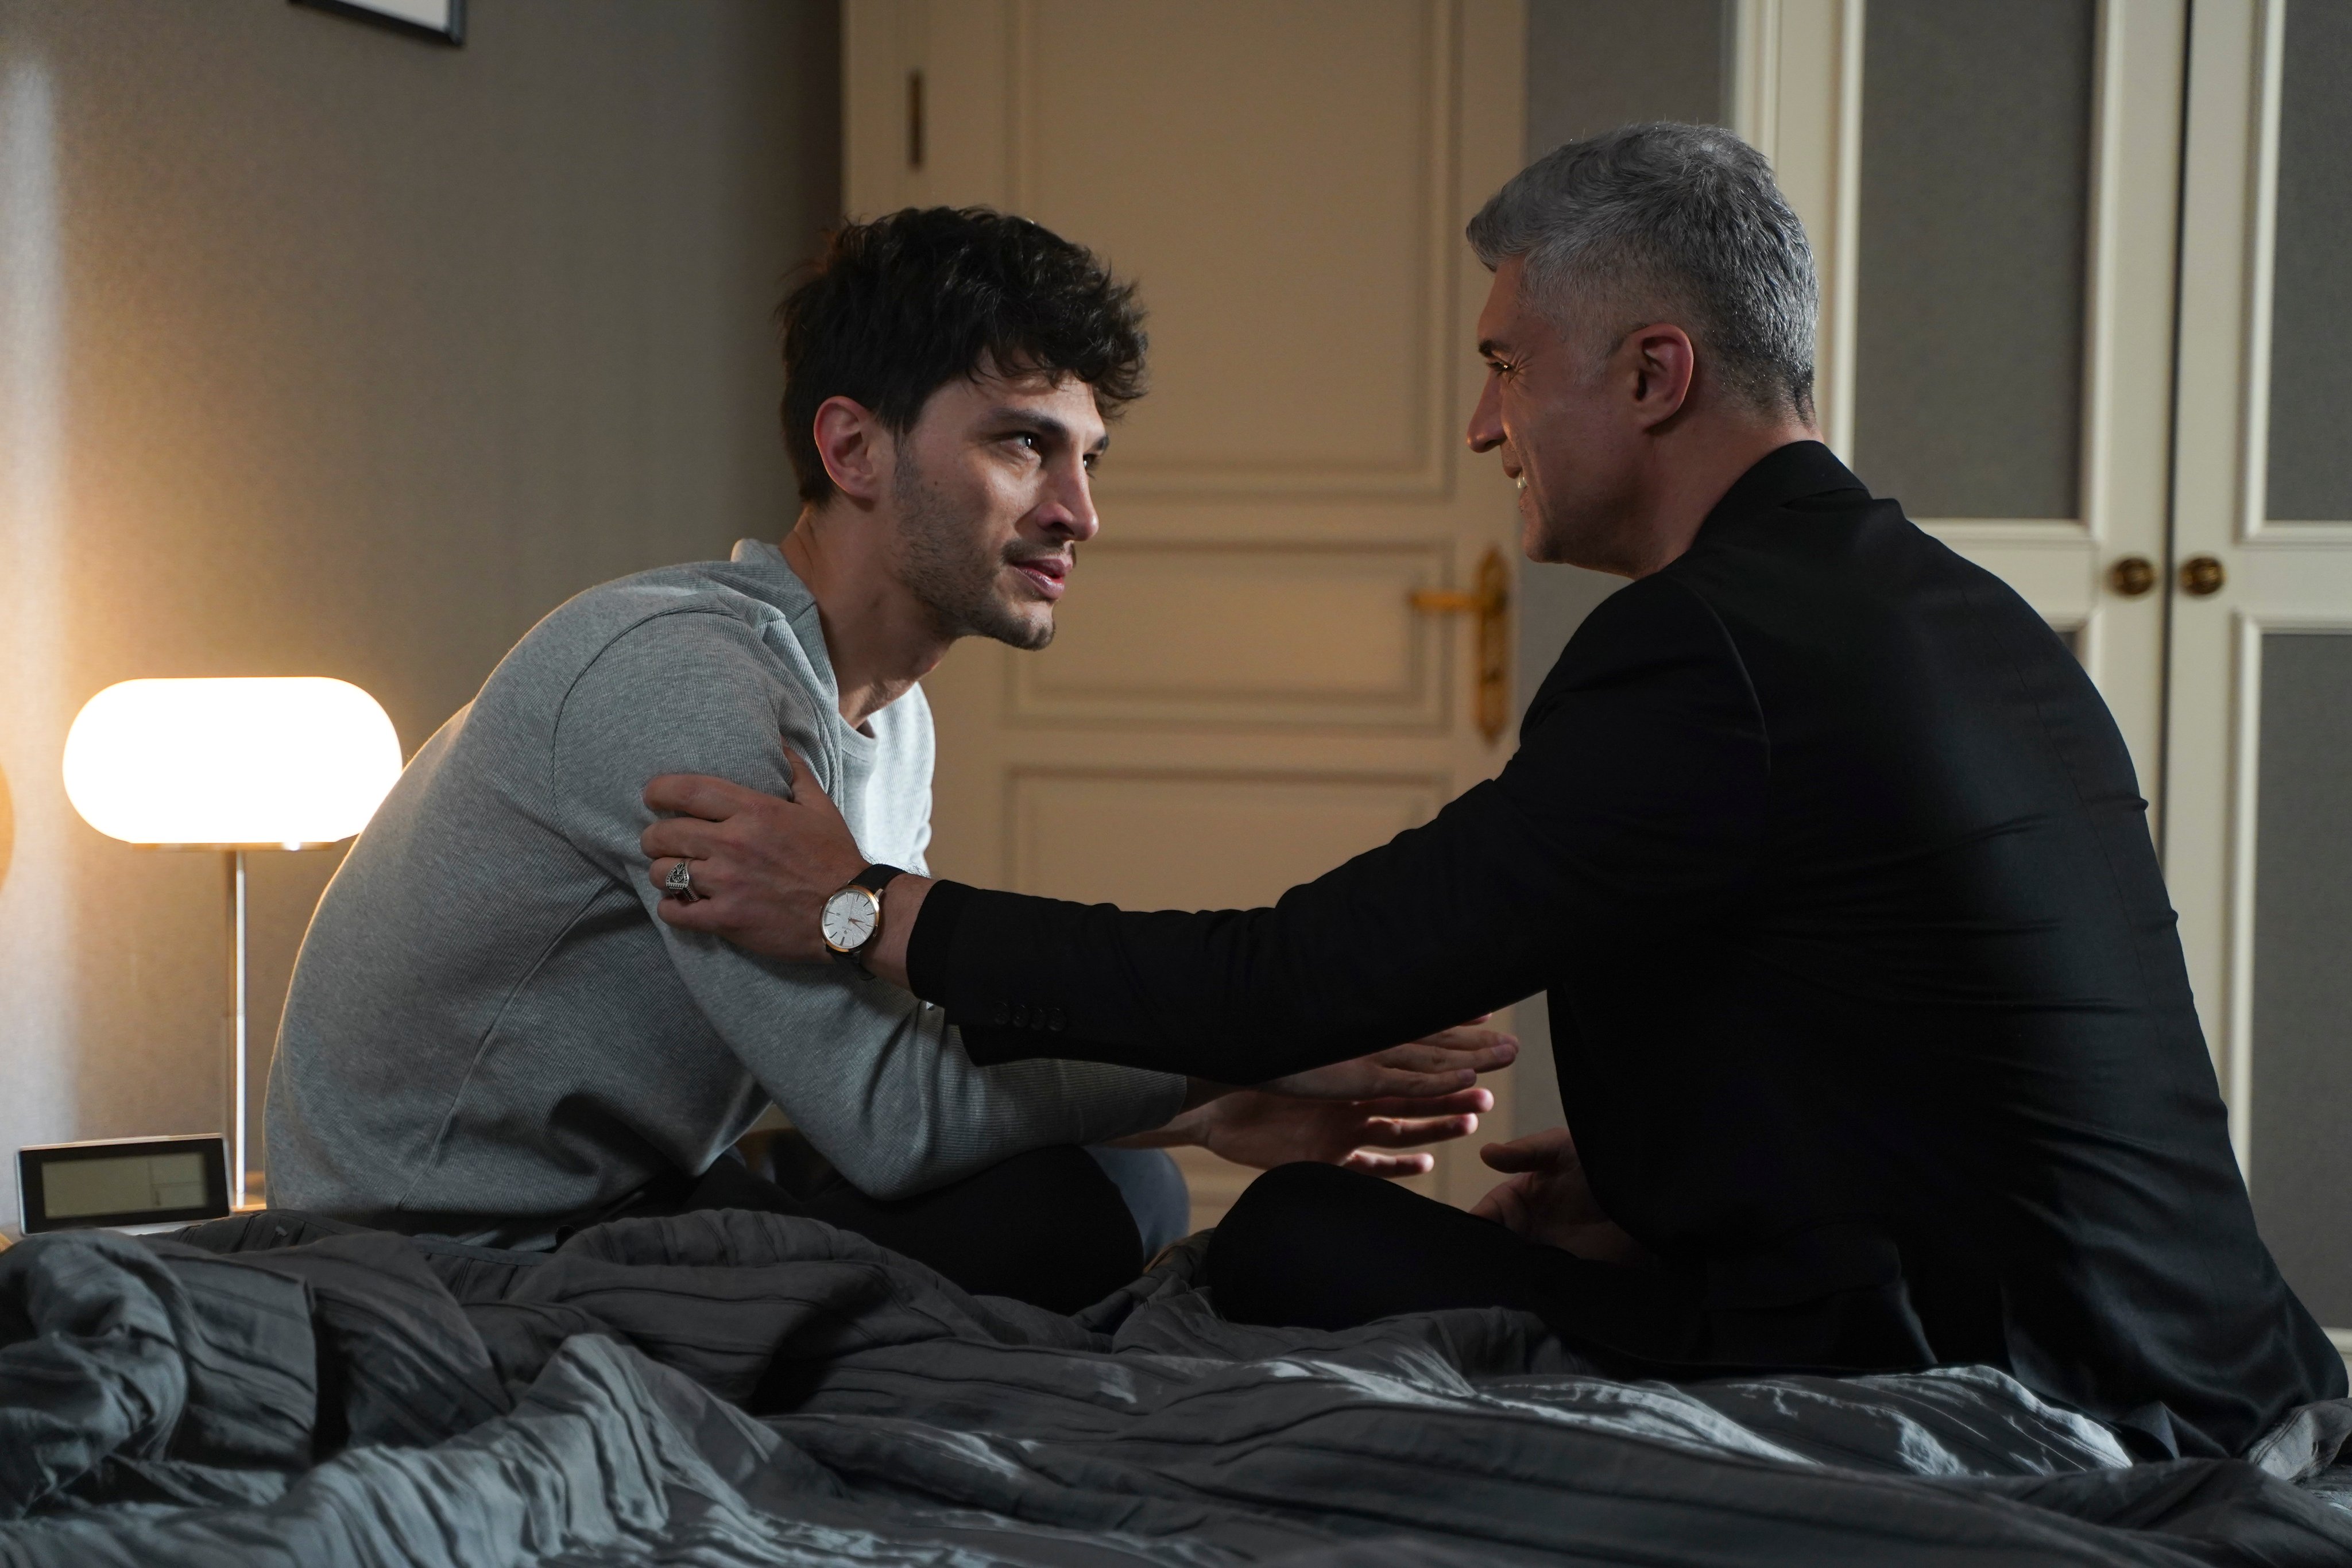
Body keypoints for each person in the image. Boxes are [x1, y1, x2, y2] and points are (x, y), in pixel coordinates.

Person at [634, 126, 2346, 1455]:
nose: (1477, 422)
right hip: (2208, 1347)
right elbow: (1946, 1035)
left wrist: (873, 911)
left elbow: (1294, 977)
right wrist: (1672, 1191)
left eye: (1509, 365)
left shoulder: (1705, 652)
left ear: (1654, 374)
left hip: (1992, 1377)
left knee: (1293, 1236)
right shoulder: (1957, 613)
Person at [265, 207, 1512, 1313]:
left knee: (1121, 1182)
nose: (1078, 511)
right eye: (1022, 446)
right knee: (1072, 1212)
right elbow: (890, 1113)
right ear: (854, 449)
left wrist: (1213, 1106)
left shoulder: (892, 716)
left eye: (1087, 457)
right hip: (453, 1255)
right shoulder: (683, 682)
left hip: (639, 1187)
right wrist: (1237, 1058)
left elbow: (897, 1038)